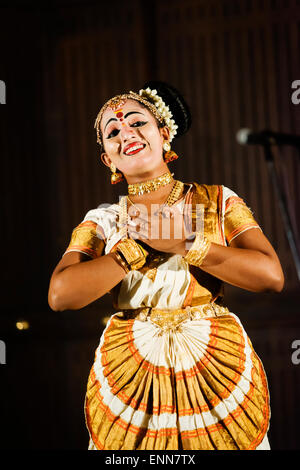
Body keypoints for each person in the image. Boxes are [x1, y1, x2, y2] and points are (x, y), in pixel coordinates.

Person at [48, 81, 284, 450]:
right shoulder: (106, 220)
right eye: (112, 132)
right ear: (108, 160)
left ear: (163, 134)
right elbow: (61, 295)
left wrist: (185, 243)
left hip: (212, 362)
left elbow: (271, 276)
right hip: (133, 370)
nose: (126, 132)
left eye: (137, 123)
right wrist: (131, 252)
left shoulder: (215, 200)